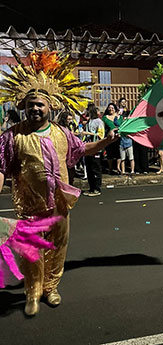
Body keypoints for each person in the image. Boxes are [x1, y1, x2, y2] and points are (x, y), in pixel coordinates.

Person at [0, 50, 119, 316]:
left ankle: (51, 287)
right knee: (32, 251)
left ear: (50, 106)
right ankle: (32, 292)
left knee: (57, 247)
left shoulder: (62, 133)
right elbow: (2, 167)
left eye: (39, 104)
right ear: (24, 107)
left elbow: (82, 149)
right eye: (30, 104)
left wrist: (107, 141)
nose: (34, 109)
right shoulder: (12, 136)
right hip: (29, 206)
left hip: (60, 204)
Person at [83, 104, 105, 196]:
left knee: (95, 168)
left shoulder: (98, 122)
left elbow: (101, 135)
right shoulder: (88, 121)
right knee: (89, 168)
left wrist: (88, 133)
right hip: (88, 147)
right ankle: (91, 187)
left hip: (95, 148)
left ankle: (97, 188)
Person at [102, 102, 122, 174]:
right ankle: (110, 168)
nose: (111, 109)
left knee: (118, 153)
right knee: (109, 153)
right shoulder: (104, 118)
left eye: (112, 108)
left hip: (118, 138)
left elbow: (122, 125)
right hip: (109, 138)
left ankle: (118, 167)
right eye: (109, 108)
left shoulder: (119, 117)